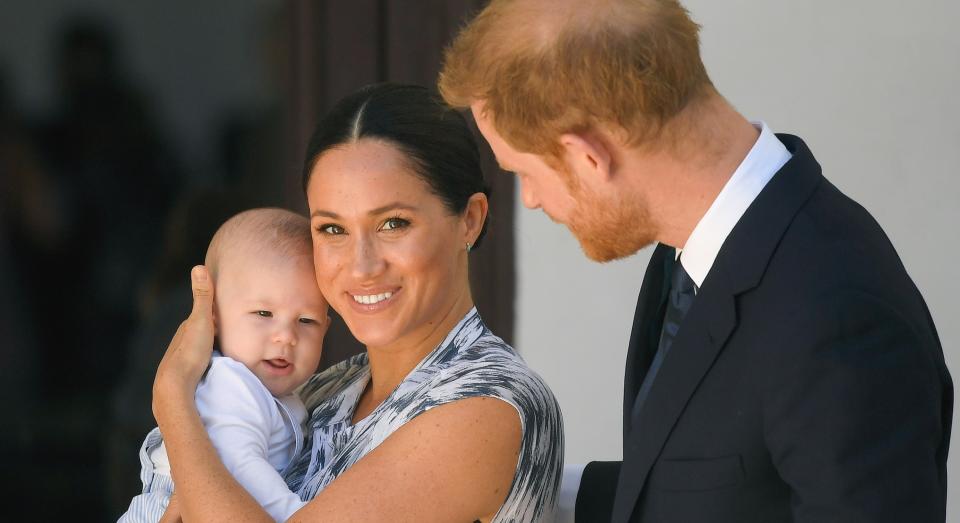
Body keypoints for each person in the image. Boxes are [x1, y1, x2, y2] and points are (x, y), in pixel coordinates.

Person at [438, 1, 952, 522]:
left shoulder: (837, 318)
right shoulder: (696, 247)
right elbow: (717, 483)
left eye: (524, 172)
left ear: (588, 157)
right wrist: (516, 491)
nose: (530, 199)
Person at [151, 83, 563, 522]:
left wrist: (173, 397)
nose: (361, 266)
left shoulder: (487, 405)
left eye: (392, 223)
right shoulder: (327, 390)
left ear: (470, 220)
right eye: (332, 229)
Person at [120, 208, 329, 522]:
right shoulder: (231, 384)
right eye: (263, 314)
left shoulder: (277, 392)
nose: (286, 336)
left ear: (326, 327)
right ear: (213, 318)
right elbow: (241, 467)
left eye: (306, 320)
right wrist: (298, 515)